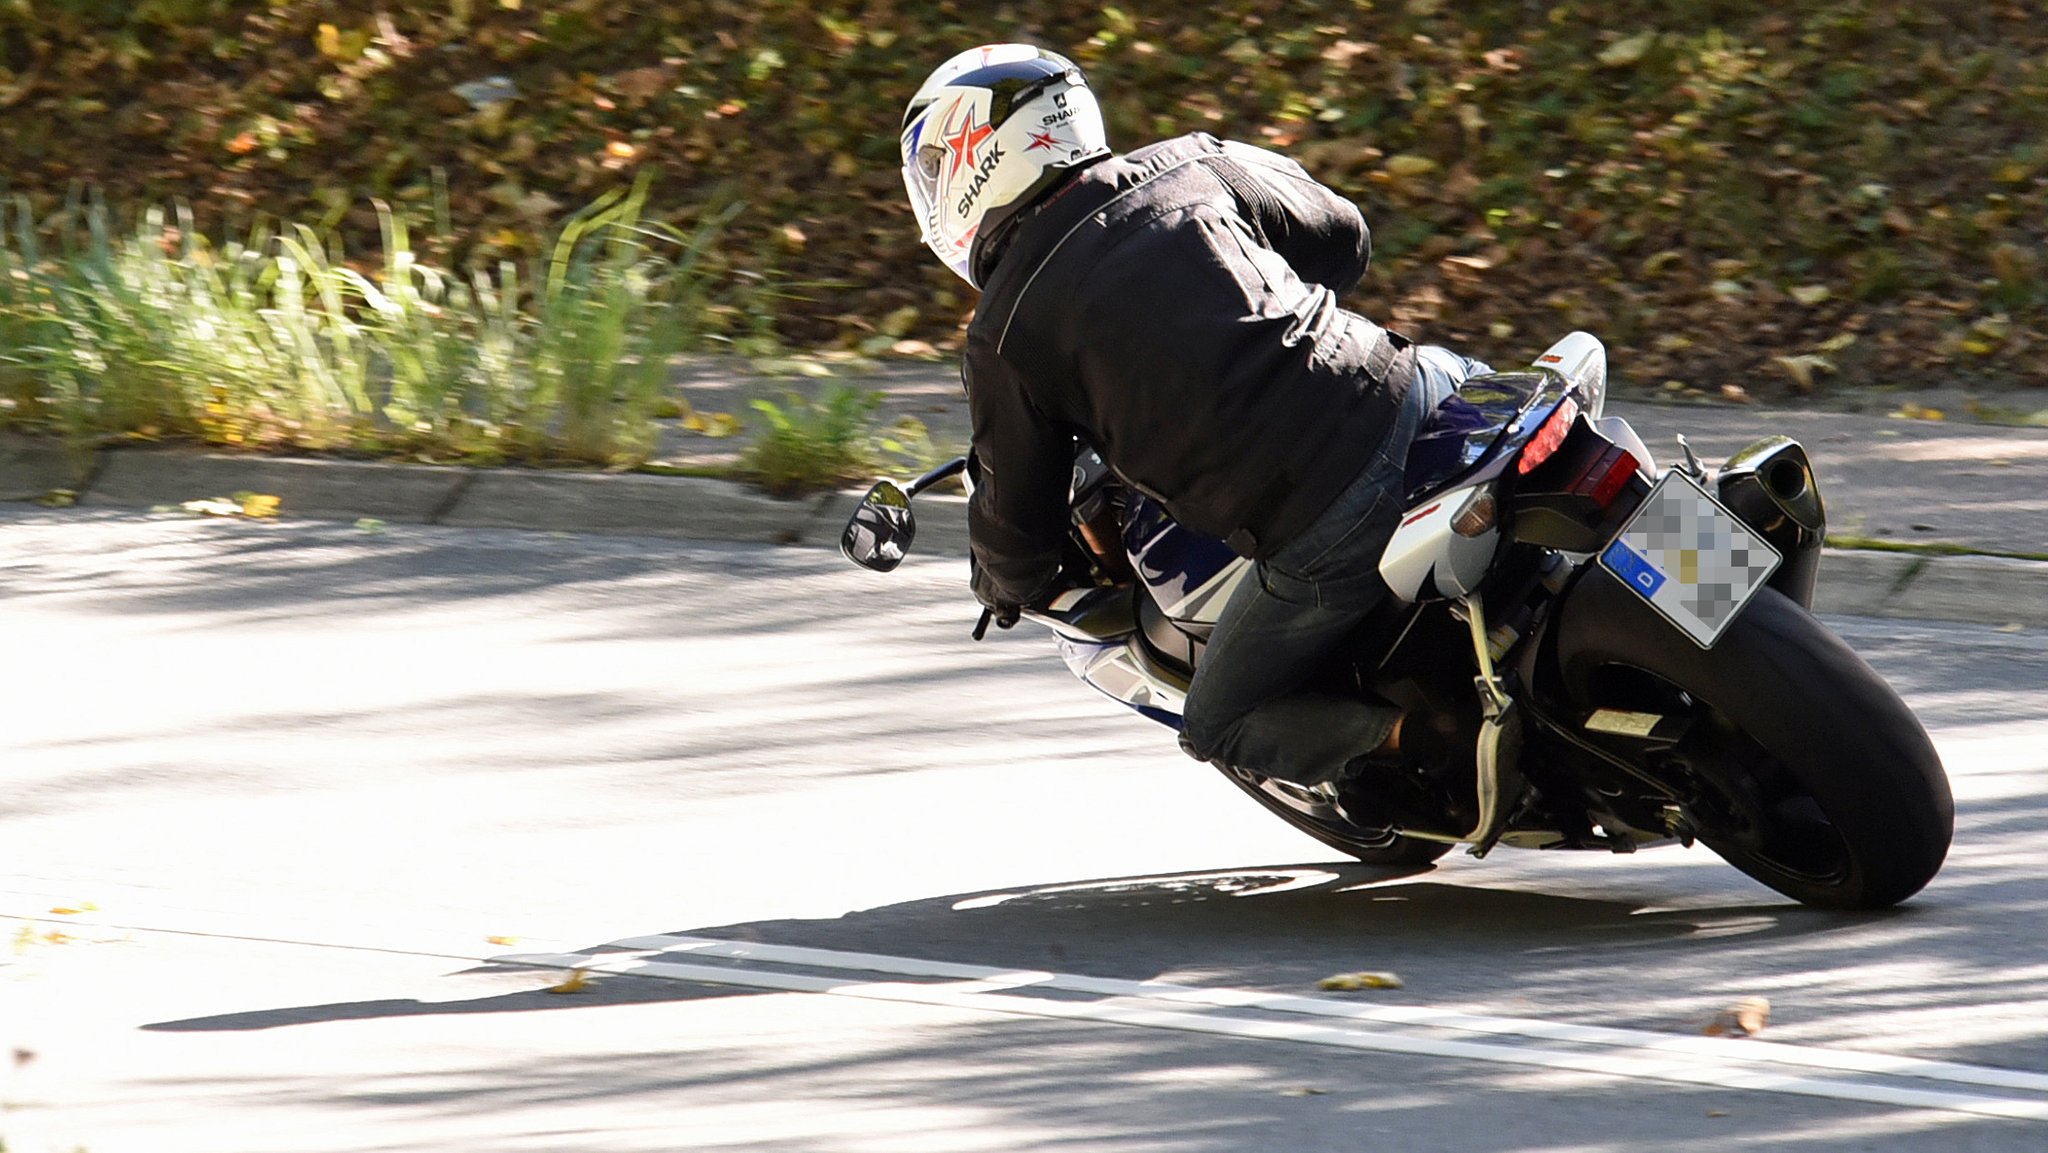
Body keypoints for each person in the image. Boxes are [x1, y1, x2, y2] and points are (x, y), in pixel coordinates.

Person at [898, 43, 1490, 802]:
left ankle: (1436, 739)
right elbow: (1344, 239)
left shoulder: (1007, 330)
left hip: (1332, 513)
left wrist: (1003, 584)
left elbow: (1018, 531)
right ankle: (1696, 568)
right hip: (1419, 390)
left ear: (971, 165)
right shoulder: (1189, 164)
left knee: (1218, 722)